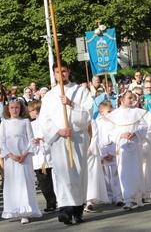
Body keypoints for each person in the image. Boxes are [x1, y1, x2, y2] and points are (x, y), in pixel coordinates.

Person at [39, 60, 92, 224]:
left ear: (68, 72)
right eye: (57, 72)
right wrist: (59, 131)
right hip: (59, 139)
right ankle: (65, 210)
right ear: (54, 74)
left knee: (78, 174)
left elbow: (87, 115)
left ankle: (78, 209)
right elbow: (44, 119)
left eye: (63, 71)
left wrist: (70, 103)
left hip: (76, 138)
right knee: (62, 175)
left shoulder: (80, 91)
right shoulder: (49, 96)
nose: (60, 75)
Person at [0, 99, 42, 224]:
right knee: (13, 183)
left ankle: (25, 211)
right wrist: (10, 155)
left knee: (24, 182)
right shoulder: (4, 124)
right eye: (12, 108)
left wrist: (25, 154)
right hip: (11, 158)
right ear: (8, 109)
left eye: (17, 107)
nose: (14, 110)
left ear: (20, 109)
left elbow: (30, 139)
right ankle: (14, 209)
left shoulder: (25, 121)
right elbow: (1, 142)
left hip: (24, 156)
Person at [106, 90, 148, 210]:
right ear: (122, 99)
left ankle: (138, 197)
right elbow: (110, 130)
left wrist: (135, 133)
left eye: (133, 98)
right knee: (124, 172)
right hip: (122, 147)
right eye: (129, 98)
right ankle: (128, 199)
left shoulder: (137, 112)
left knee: (137, 170)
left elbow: (143, 126)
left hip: (135, 145)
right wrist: (121, 135)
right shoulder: (114, 114)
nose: (132, 100)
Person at [28, 100, 57, 213]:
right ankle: (50, 202)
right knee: (43, 182)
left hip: (49, 155)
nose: (29, 113)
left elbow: (53, 135)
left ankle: (58, 200)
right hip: (38, 156)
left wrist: (44, 140)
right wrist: (34, 142)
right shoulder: (31, 125)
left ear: (35, 110)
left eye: (30, 111)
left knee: (54, 180)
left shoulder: (48, 122)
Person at [96, 101, 123, 206]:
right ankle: (108, 196)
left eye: (111, 111)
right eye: (108, 112)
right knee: (106, 176)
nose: (111, 113)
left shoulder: (114, 122)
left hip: (113, 149)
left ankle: (118, 196)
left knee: (116, 175)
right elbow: (97, 139)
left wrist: (112, 152)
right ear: (102, 112)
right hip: (103, 150)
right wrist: (102, 154)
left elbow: (116, 137)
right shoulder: (97, 122)